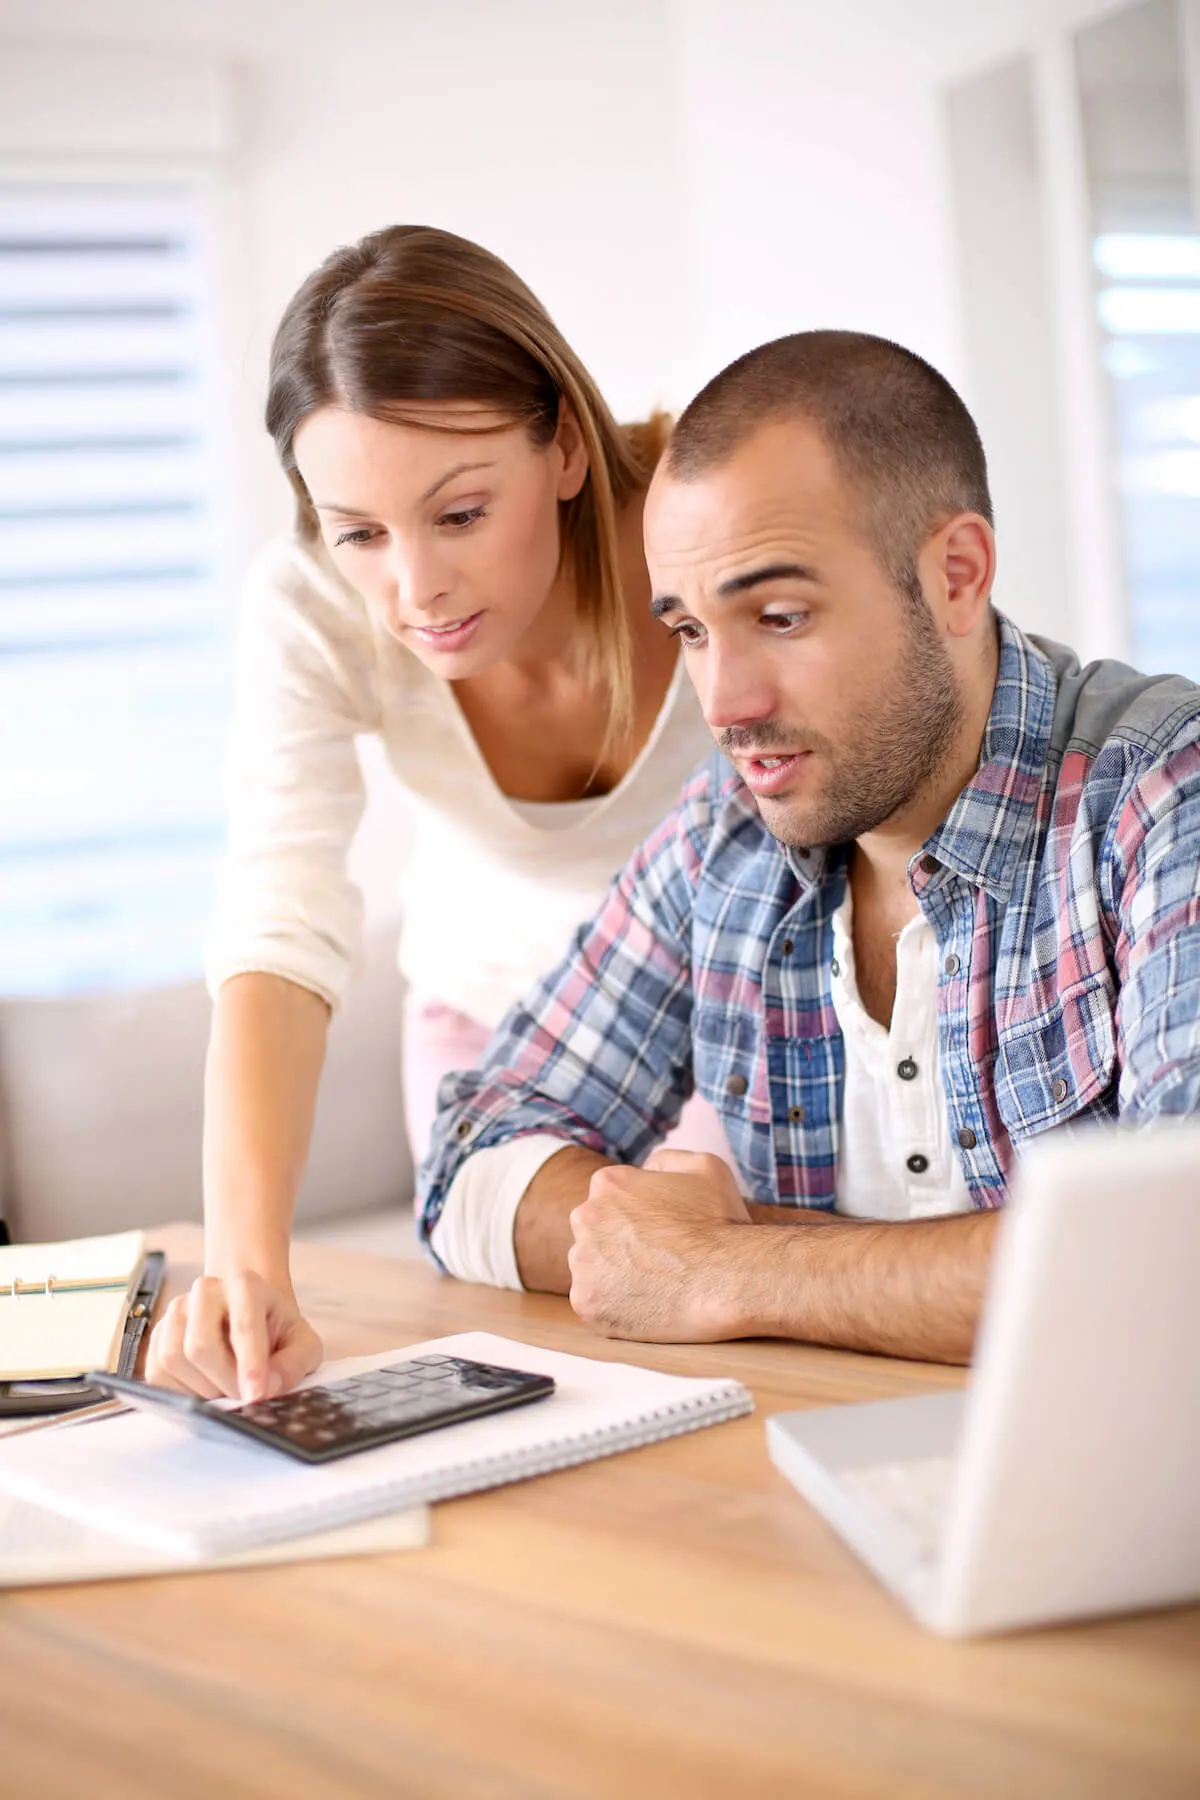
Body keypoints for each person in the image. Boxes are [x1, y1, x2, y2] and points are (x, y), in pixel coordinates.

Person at [418, 330, 1200, 1365]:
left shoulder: (1159, 795)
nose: (726, 703)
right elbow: (471, 1156)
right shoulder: (721, 837)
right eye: (690, 632)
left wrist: (728, 1267)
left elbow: (1174, 1266)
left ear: (957, 576)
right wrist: (694, 1251)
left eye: (779, 617)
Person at [147, 226, 716, 1401]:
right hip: (488, 1043)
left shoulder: (703, 536)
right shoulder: (312, 606)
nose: (416, 590)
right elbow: (279, 909)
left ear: (562, 443)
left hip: (735, 1033)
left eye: (459, 514)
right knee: (532, 1392)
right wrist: (251, 1269)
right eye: (359, 532)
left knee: (720, 1325)